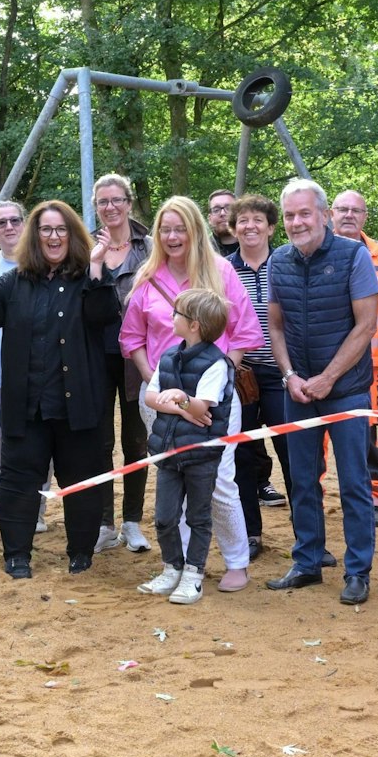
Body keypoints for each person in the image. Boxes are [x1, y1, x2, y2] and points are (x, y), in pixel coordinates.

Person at [120, 196, 264, 591]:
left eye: (179, 228)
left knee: (217, 481)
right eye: (165, 229)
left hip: (212, 401)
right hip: (161, 401)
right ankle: (180, 566)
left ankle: (236, 561)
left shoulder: (221, 272)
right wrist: (158, 384)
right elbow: (131, 338)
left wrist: (217, 378)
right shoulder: (147, 278)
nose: (171, 236)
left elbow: (246, 332)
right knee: (173, 481)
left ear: (195, 231)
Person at [0, 200, 116, 579]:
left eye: (61, 229)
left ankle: (80, 553)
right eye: (46, 230)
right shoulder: (15, 280)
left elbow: (104, 316)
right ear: (34, 237)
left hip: (77, 404)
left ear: (72, 235)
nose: (54, 236)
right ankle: (17, 555)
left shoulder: (89, 276)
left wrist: (98, 266)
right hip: (27, 404)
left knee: (80, 480)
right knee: (18, 481)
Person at [265, 179, 378, 605]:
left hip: (346, 389)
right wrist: (290, 375)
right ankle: (308, 561)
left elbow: (365, 326)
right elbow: (275, 326)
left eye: (304, 213)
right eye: (290, 215)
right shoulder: (279, 261)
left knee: (353, 481)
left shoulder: (354, 256)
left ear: (324, 215)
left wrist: (329, 378)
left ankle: (357, 571)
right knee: (302, 480)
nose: (297, 222)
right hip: (297, 390)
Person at [138, 287, 236, 606]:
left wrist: (181, 397)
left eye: (177, 314)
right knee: (164, 517)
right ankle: (172, 567)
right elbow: (152, 397)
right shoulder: (169, 356)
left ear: (194, 324)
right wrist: (180, 405)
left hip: (201, 455)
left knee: (198, 516)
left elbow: (202, 408)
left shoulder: (217, 364)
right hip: (168, 451)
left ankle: (193, 573)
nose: (171, 317)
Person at [0, 201, 48, 537]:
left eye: (15, 220)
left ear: (25, 223)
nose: (9, 227)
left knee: (38, 444)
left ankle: (37, 510)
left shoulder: (42, 262)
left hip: (35, 367)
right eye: (1, 223)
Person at [331, 190, 378, 528]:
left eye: (356, 210)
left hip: (369, 364)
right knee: (312, 436)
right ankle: (311, 498)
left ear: (365, 216)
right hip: (320, 362)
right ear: (330, 214)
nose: (349, 215)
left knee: (365, 435)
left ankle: (373, 499)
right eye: (342, 209)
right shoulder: (310, 250)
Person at [225, 192, 295, 554]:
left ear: (271, 227)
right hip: (240, 377)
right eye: (242, 221)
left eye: (257, 220)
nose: (249, 226)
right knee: (242, 458)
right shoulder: (221, 268)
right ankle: (250, 535)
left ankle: (307, 536)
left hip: (283, 375)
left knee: (293, 452)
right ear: (232, 228)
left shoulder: (288, 263)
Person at [91, 174, 152, 553]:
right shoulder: (84, 247)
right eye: (103, 202)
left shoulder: (150, 247)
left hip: (140, 357)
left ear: (129, 203)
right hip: (94, 356)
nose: (110, 208)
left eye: (116, 200)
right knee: (98, 442)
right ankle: (103, 524)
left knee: (136, 441)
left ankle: (132, 522)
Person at [208, 188, 239, 253]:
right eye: (216, 210)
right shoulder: (200, 251)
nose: (222, 213)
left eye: (228, 208)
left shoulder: (253, 247)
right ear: (209, 219)